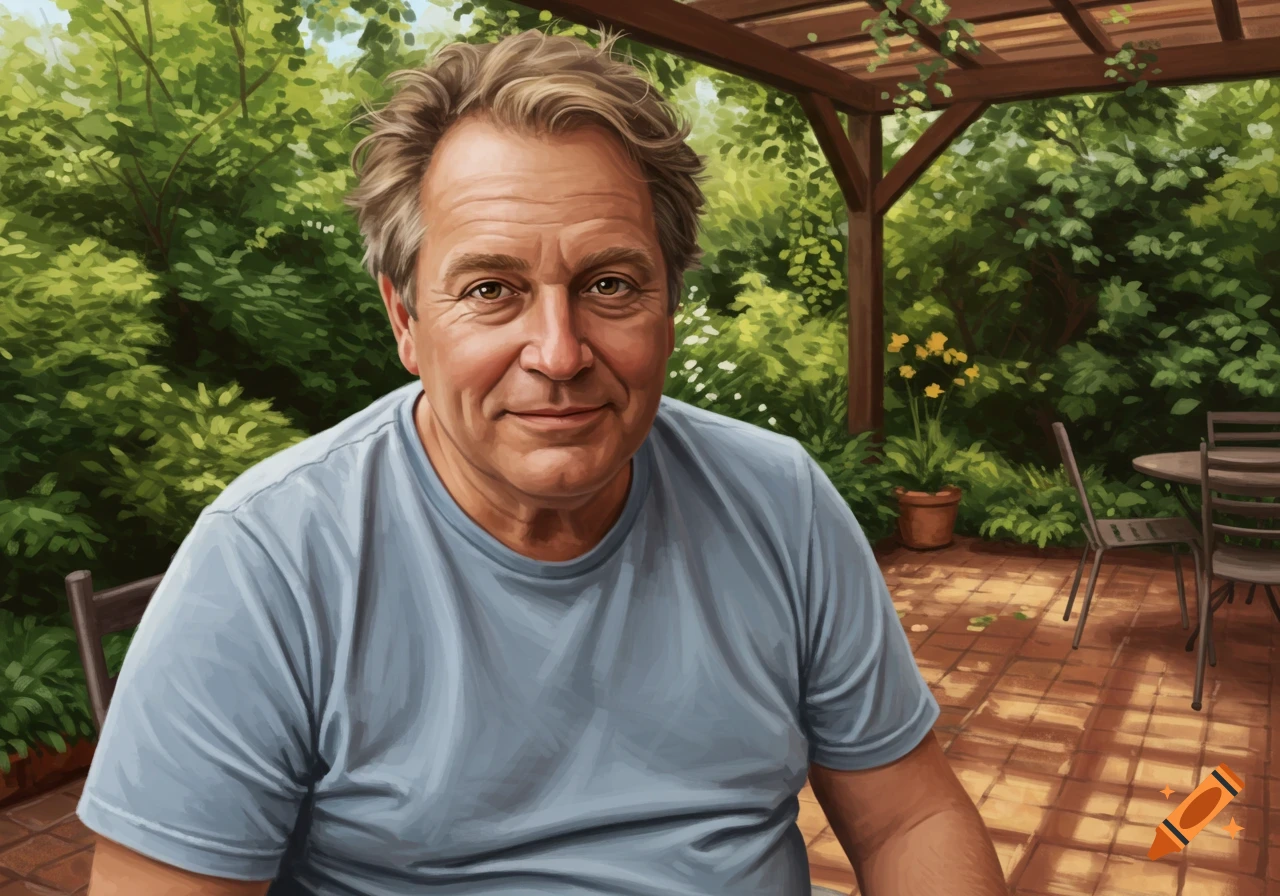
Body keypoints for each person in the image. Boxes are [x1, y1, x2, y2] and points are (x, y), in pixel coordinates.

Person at [79, 29, 1006, 896]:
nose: (559, 354)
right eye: (492, 289)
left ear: (670, 306)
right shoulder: (269, 562)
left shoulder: (778, 501)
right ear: (405, 319)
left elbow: (909, 817)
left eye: (610, 284)